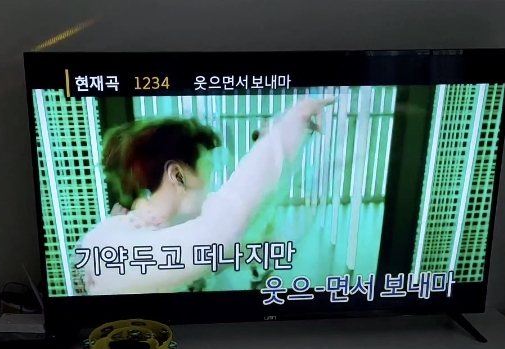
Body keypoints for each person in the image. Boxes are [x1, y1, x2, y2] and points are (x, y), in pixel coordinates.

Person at [74, 97, 334, 295]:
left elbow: (240, 229)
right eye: (207, 170)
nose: (211, 187)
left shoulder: (168, 229)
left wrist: (272, 144)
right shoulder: (108, 245)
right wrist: (291, 123)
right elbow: (218, 230)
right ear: (177, 175)